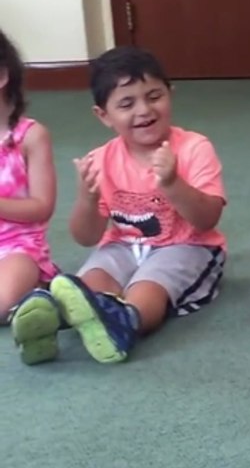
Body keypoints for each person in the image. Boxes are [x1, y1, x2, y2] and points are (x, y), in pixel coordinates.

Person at [11, 46, 226, 365]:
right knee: (88, 284)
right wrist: (88, 197)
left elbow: (207, 218)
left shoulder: (194, 148)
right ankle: (51, 319)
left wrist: (172, 184)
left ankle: (125, 321)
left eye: (154, 96)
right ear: (104, 115)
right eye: (127, 103)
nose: (144, 110)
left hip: (186, 245)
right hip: (123, 245)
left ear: (171, 93)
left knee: (147, 288)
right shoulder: (100, 159)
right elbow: (85, 237)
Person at [0, 30, 58, 349]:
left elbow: (41, 206)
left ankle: (34, 302)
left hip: (19, 247)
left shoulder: (30, 137)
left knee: (4, 297)